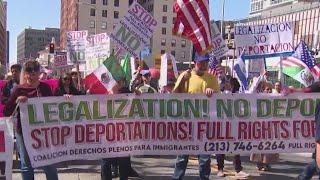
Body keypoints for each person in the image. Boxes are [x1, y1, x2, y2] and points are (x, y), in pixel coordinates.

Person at [4, 60, 58, 180]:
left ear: (39, 73)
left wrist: (66, 99)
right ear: (25, 74)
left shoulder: (45, 88)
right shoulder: (19, 89)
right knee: (27, 164)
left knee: (49, 163)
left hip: (44, 132)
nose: (31, 76)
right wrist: (17, 100)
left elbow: (55, 105)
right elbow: (7, 111)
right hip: (23, 132)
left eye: (34, 73)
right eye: (29, 73)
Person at [172, 52, 220, 180]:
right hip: (186, 124)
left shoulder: (212, 78)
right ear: (194, 63)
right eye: (201, 63)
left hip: (204, 125)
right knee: (182, 158)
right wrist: (183, 80)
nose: (204, 65)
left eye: (206, 62)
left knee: (204, 159)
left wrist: (213, 93)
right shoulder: (185, 75)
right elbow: (175, 96)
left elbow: (220, 101)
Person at [100, 79, 139, 180]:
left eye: (118, 81)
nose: (117, 83)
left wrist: (136, 92)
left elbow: (139, 97)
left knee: (123, 162)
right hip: (106, 134)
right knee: (106, 162)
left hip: (123, 135)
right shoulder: (101, 94)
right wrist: (68, 98)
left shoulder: (126, 93)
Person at [216, 77, 249, 178]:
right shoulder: (219, 95)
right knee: (221, 148)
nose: (228, 85)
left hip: (234, 124)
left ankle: (238, 169)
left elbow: (251, 93)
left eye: (230, 83)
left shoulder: (237, 95)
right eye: (226, 83)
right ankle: (220, 169)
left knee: (236, 147)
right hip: (221, 124)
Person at [250, 82, 279, 171]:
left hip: (270, 126)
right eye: (267, 89)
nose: (269, 91)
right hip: (259, 125)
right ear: (263, 90)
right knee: (259, 145)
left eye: (270, 89)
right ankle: (259, 163)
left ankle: (266, 163)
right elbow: (252, 92)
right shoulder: (258, 97)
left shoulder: (275, 97)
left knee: (268, 146)